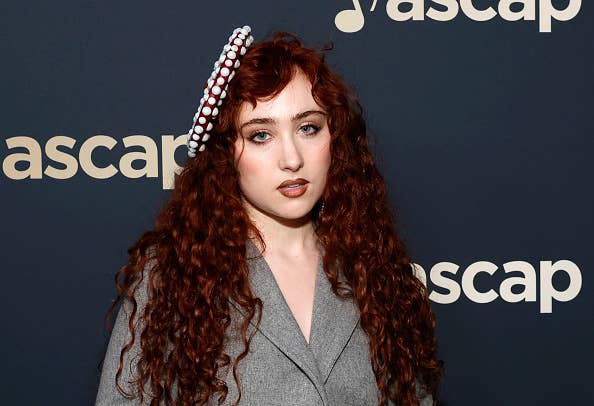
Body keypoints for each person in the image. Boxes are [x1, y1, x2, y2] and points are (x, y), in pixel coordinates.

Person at [95, 26, 443, 406]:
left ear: (335, 139)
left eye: (308, 128)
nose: (292, 159)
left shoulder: (375, 269)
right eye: (261, 135)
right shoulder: (172, 274)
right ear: (226, 152)